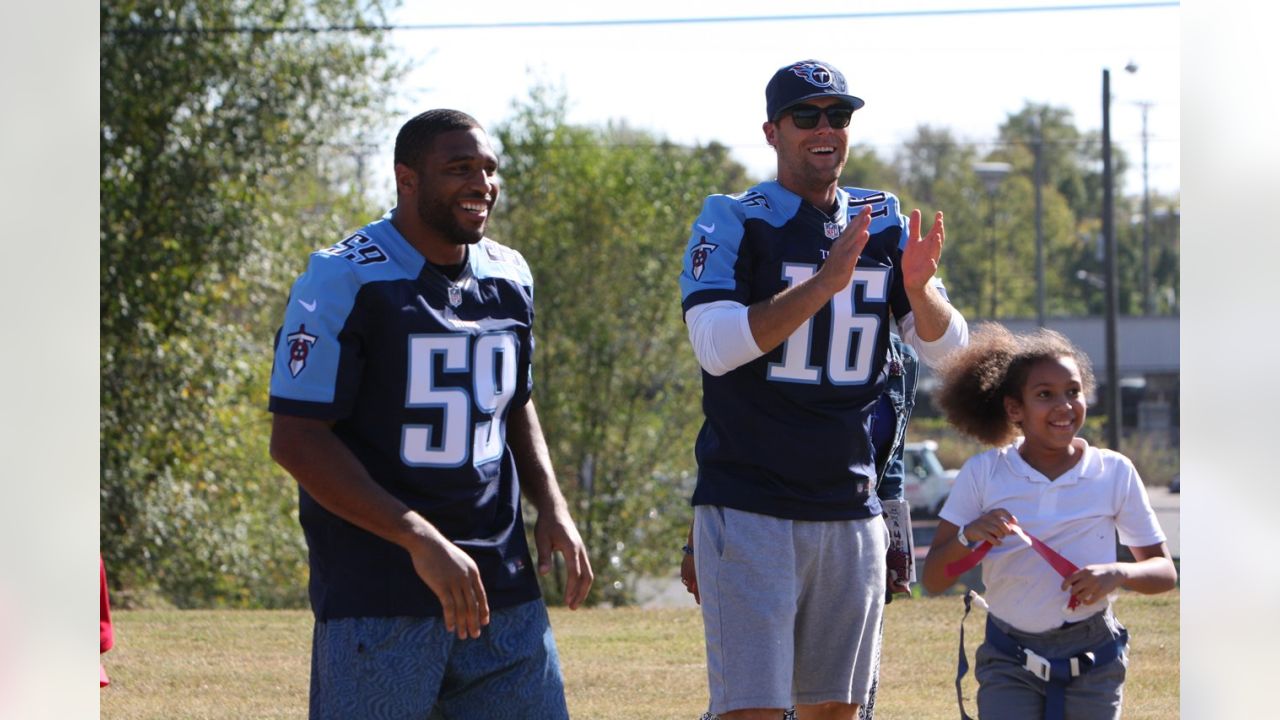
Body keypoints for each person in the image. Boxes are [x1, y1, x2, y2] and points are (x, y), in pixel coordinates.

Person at [268, 109, 593, 720]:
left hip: (501, 582)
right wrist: (417, 537)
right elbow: (296, 439)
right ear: (407, 178)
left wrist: (552, 504)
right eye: (459, 168)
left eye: (489, 169)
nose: (482, 184)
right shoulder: (343, 277)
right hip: (382, 589)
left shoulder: (510, 274)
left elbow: (513, 399)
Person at [677, 59, 969, 720]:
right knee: (751, 710)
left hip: (848, 501)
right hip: (750, 499)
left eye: (838, 115)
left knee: (836, 711)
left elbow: (951, 354)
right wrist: (823, 285)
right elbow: (716, 347)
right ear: (772, 131)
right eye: (805, 116)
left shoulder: (882, 220)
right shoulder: (733, 220)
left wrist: (920, 291)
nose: (824, 128)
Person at [921, 324, 1176, 720]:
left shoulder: (1114, 471)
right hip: (1008, 658)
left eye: (1073, 392)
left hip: (1095, 659)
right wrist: (968, 536)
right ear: (1014, 409)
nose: (1064, 406)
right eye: (1045, 395)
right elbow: (935, 579)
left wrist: (1119, 571)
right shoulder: (984, 473)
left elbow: (1165, 572)